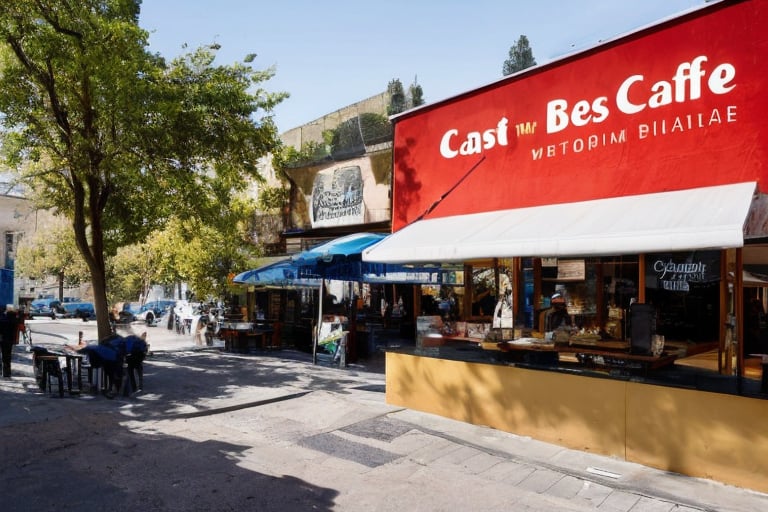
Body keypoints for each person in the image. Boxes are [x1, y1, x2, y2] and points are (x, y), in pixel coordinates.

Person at [0, 305, 19, 378]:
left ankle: (4, 372)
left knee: (6, 356)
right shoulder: (13, 317)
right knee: (7, 357)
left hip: (4, 337)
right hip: (8, 339)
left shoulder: (5, 317)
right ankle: (7, 373)